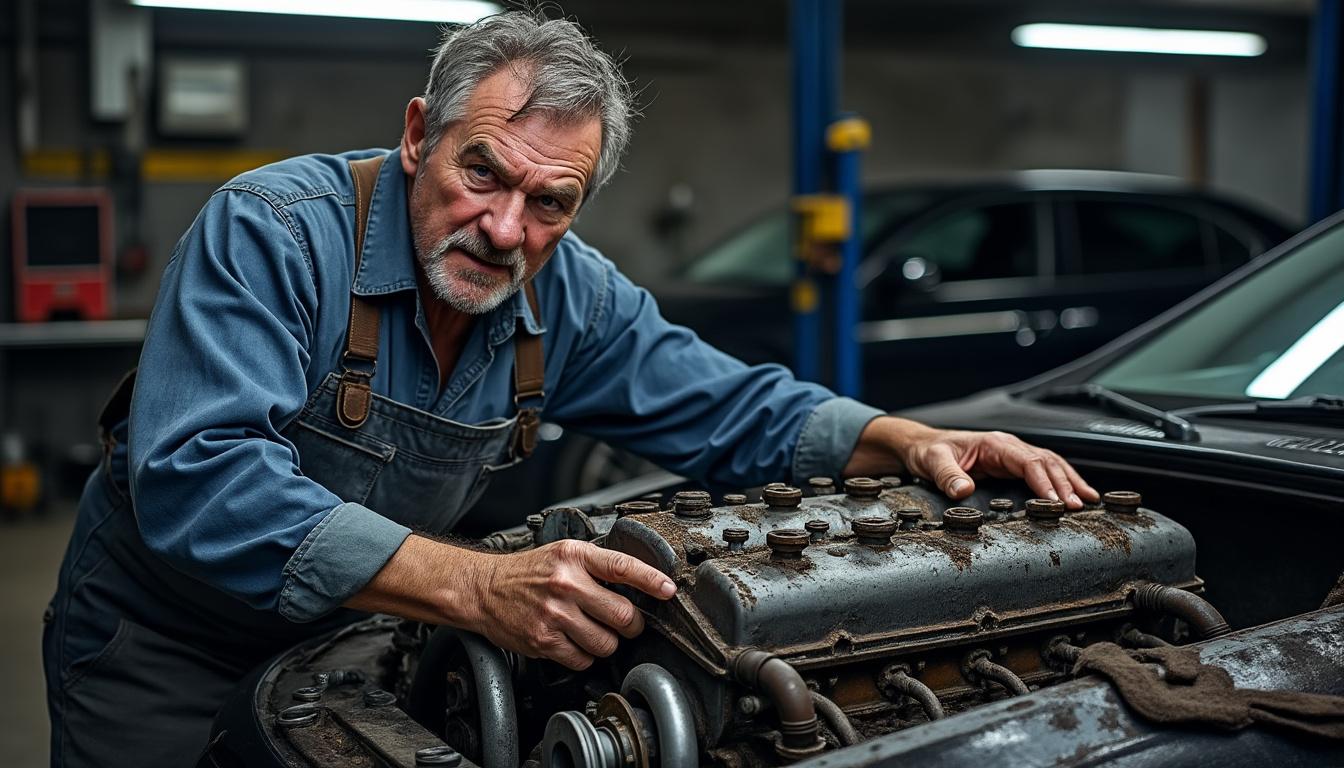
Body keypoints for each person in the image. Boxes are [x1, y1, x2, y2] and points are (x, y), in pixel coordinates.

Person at [42, 10, 1097, 767]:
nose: (507, 231)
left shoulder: (572, 298)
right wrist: (479, 587)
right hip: (162, 645)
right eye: (481, 174)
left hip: (346, 644)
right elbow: (199, 476)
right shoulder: (272, 234)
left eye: (553, 201)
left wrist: (908, 440)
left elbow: (734, 409)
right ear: (419, 136)